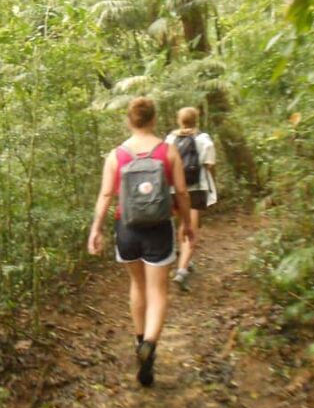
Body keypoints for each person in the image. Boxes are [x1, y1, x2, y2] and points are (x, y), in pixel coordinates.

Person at [87, 97, 194, 387]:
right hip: (159, 227)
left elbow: (106, 195)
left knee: (138, 285)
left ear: (129, 120)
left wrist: (95, 230)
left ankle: (138, 341)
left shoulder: (116, 155)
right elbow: (182, 193)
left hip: (127, 228)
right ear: (154, 119)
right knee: (158, 290)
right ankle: (150, 344)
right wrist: (186, 223)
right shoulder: (168, 151)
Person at [165, 107, 217, 291]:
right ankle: (182, 269)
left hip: (173, 189)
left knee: (182, 224)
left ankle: (185, 260)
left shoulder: (170, 139)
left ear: (179, 120)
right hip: (195, 189)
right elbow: (209, 166)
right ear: (197, 120)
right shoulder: (204, 140)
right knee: (191, 228)